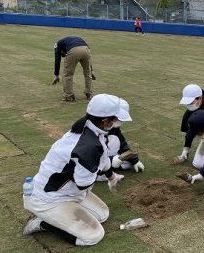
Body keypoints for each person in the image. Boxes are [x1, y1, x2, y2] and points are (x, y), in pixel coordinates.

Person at [22, 94, 131, 246]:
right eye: (115, 119)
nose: (117, 123)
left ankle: (60, 216)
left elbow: (104, 158)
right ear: (105, 120)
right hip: (49, 198)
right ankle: (42, 222)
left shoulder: (90, 126)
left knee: (103, 215)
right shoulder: (87, 147)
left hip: (70, 192)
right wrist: (100, 170)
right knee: (94, 235)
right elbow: (83, 182)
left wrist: (111, 177)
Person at [70, 98, 145, 178]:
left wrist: (135, 160)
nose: (120, 122)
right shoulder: (88, 136)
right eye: (117, 119)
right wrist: (112, 160)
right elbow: (84, 160)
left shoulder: (109, 127)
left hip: (102, 158)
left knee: (127, 162)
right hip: (82, 165)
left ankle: (106, 169)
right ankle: (100, 174)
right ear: (106, 120)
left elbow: (122, 144)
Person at [52, 36, 96, 102]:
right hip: (86, 49)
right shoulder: (72, 40)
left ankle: (69, 96)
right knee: (88, 73)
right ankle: (89, 94)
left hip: (73, 50)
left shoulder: (57, 45)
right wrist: (91, 70)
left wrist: (56, 75)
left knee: (68, 74)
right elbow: (89, 60)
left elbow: (57, 60)